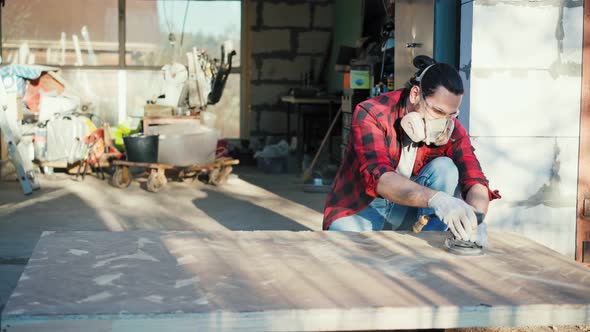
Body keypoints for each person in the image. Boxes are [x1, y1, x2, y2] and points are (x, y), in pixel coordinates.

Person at [324, 55, 500, 243]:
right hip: (364, 205)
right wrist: (438, 200)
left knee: (446, 168)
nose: (444, 122)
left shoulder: (452, 128)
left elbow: (475, 178)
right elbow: (381, 179)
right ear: (415, 94)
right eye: (438, 111)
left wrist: (476, 218)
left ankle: (432, 239)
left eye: (451, 114)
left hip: (410, 207)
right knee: (342, 248)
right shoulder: (372, 113)